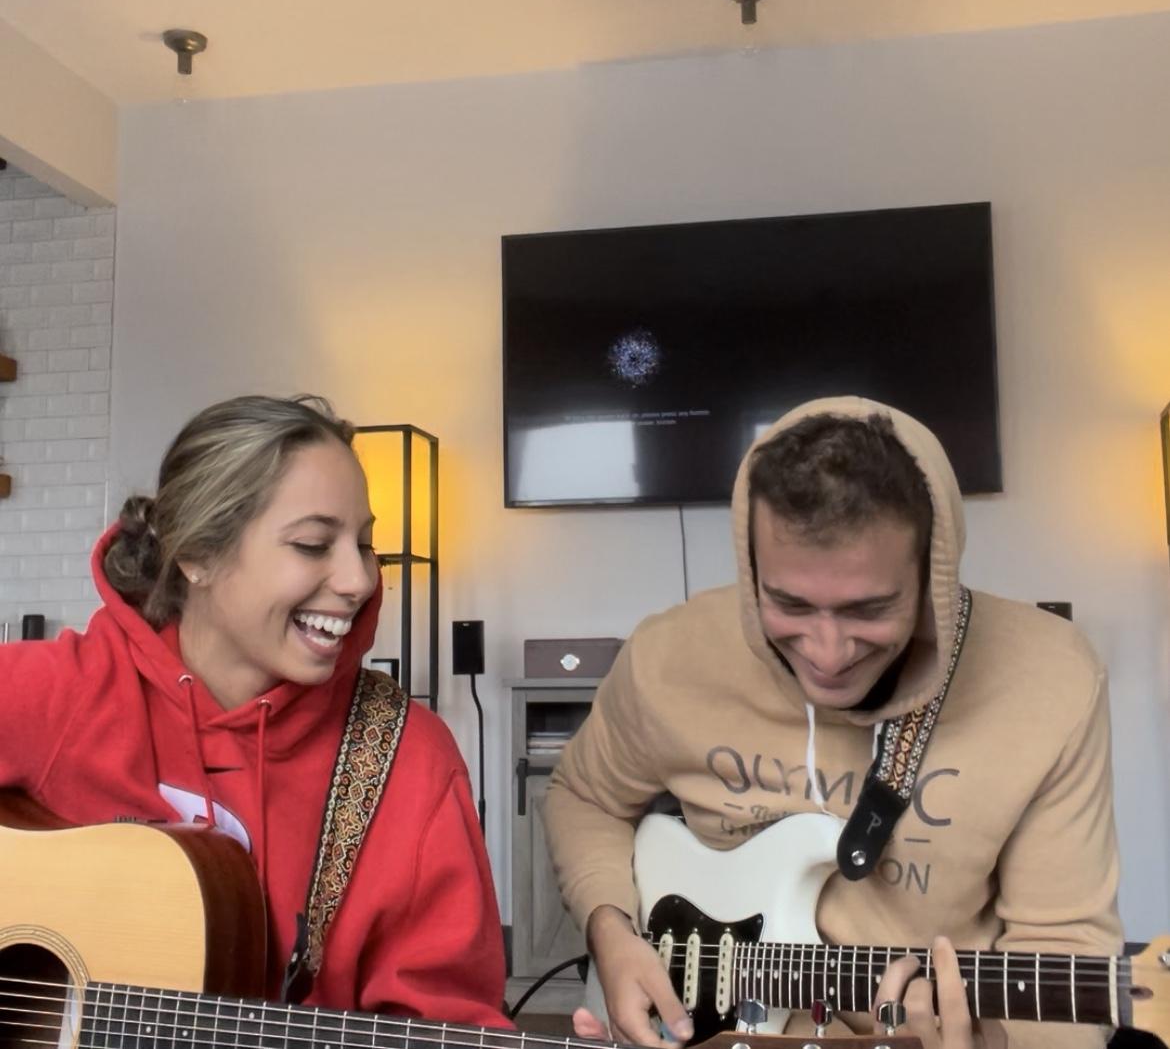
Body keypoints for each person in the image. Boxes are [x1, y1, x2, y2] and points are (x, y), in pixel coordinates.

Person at [544, 395, 1121, 1049]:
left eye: (868, 610)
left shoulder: (1050, 679)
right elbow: (584, 796)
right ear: (751, 571)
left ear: (932, 573)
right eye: (789, 605)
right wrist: (609, 927)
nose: (827, 653)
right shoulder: (668, 655)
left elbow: (1063, 945)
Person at [0, 394, 509, 1026]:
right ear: (197, 555)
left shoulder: (405, 759)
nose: (359, 579)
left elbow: (448, 1020)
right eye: (313, 544)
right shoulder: (59, 693)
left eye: (363, 543)